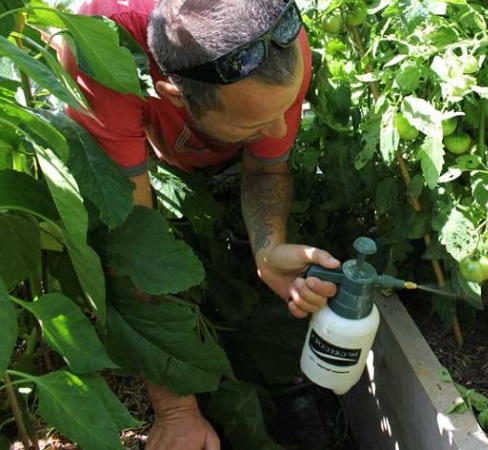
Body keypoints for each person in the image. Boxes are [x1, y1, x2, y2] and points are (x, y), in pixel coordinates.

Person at [57, 0, 342, 448]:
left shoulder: (274, 37)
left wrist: (269, 247)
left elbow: (267, 169)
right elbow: (135, 245)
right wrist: (176, 410)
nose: (277, 131)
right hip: (127, 123)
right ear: (170, 92)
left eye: (282, 111)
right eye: (255, 123)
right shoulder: (97, 52)